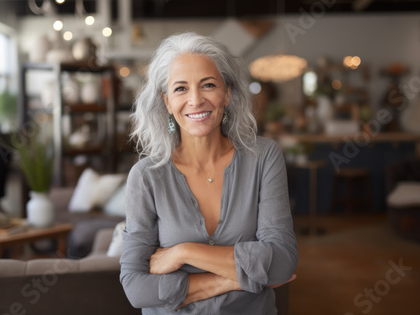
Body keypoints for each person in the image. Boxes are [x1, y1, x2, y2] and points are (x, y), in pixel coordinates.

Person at [120, 32, 298, 314]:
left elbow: (282, 263)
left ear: (226, 93)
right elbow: (136, 288)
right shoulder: (146, 177)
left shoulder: (264, 157)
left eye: (208, 85)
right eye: (180, 89)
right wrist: (237, 279)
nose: (195, 100)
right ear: (167, 101)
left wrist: (183, 252)